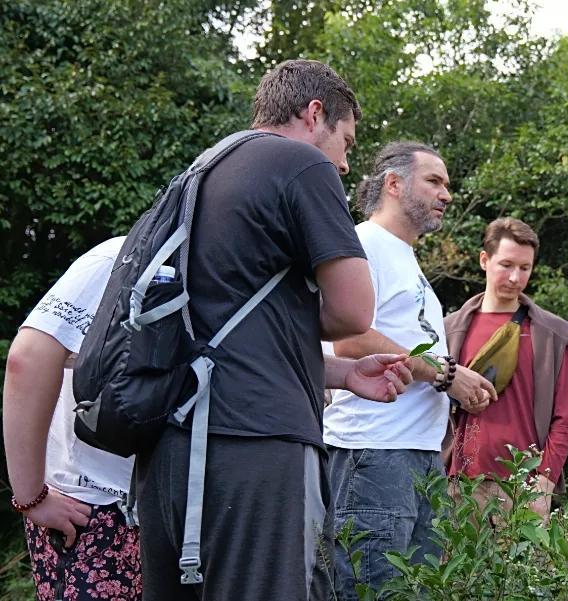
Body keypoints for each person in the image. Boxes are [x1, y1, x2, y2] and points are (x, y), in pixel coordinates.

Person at [136, 59, 402, 601]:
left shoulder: (202, 171)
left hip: (170, 444)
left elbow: (228, 325)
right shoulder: (301, 163)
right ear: (314, 113)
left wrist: (341, 373)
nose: (344, 163)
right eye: (346, 143)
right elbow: (354, 312)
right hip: (257, 446)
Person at [324, 141, 497, 599]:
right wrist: (447, 375)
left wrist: (455, 382)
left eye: (447, 184)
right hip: (374, 451)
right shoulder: (364, 244)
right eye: (434, 181)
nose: (447, 194)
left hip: (416, 455)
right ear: (394, 184)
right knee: (371, 590)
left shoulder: (403, 256)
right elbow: (349, 338)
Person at [4, 237, 141, 601]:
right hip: (93, 513)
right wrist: (31, 497)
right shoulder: (121, 257)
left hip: (162, 514)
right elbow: (28, 359)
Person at [443, 217, 568, 524]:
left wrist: (544, 483)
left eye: (524, 268)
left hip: (524, 486)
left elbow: (564, 419)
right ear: (484, 260)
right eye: (506, 265)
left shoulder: (550, 334)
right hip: (457, 485)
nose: (515, 277)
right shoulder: (449, 330)